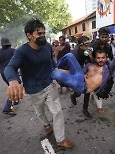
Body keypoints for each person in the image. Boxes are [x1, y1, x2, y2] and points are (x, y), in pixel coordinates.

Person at [4, 19, 74, 149]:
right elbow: (10, 67)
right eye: (39, 33)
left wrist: (61, 72)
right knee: (40, 112)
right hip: (33, 90)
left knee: (57, 111)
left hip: (49, 85)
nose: (42, 36)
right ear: (29, 35)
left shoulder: (47, 46)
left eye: (43, 33)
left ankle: (60, 139)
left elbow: (52, 63)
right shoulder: (21, 51)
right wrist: (13, 81)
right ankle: (46, 124)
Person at [0, 37, 16, 115]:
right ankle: (8, 108)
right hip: (11, 73)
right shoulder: (13, 51)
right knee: (14, 88)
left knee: (11, 87)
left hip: (3, 73)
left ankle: (15, 100)